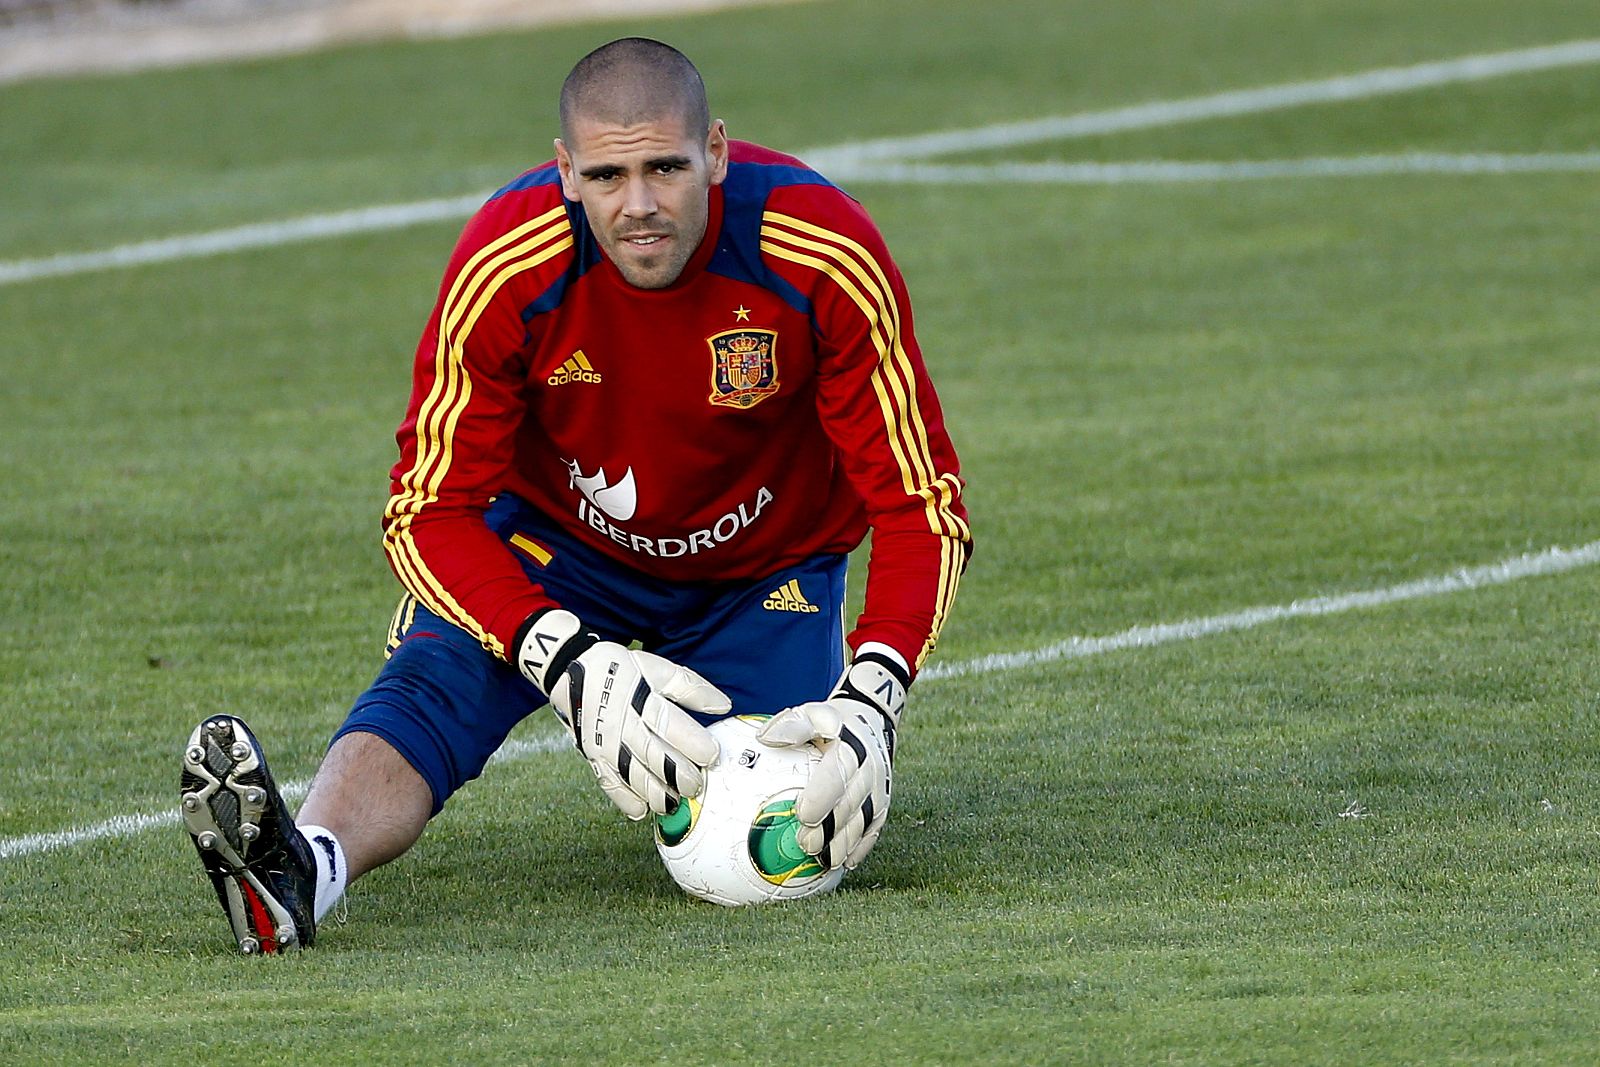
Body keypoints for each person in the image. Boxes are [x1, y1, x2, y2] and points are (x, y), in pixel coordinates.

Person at [179, 36, 971, 953]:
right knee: (440, 674)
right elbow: (425, 511)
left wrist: (875, 697)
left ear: (716, 151)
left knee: (794, 822)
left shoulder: (822, 249)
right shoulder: (507, 264)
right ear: (565, 171)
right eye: (608, 174)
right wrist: (565, 658)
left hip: (767, 569)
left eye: (667, 167)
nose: (639, 205)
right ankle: (299, 872)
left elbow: (920, 501)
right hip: (560, 552)